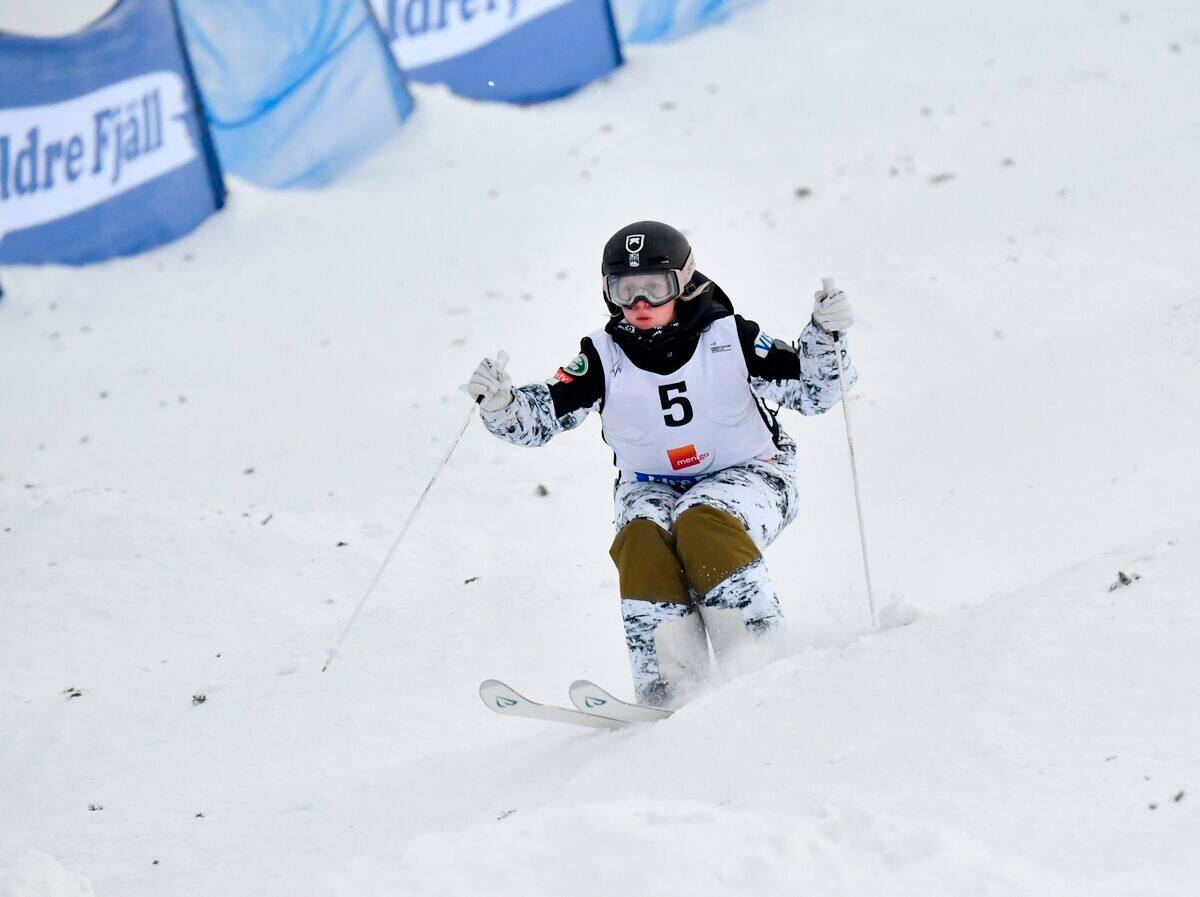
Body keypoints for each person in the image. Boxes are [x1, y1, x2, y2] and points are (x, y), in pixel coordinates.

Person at [463, 221, 857, 707]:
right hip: (651, 486)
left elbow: (814, 390)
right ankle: (671, 685)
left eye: (655, 288)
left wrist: (824, 335)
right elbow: (542, 416)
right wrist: (502, 404)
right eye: (625, 291)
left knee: (702, 523)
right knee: (642, 539)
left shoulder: (730, 337)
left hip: (751, 472)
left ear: (684, 282)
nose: (641, 305)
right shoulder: (603, 356)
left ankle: (757, 660)